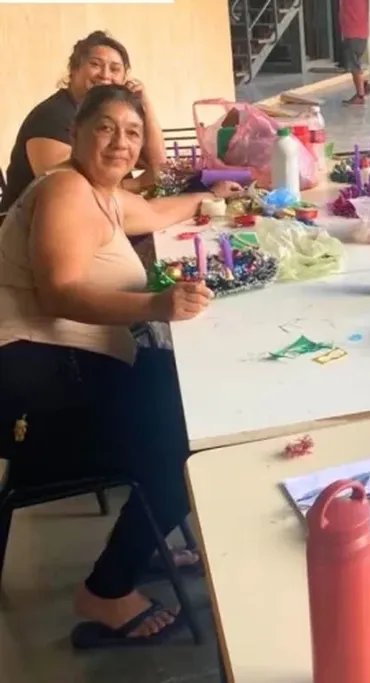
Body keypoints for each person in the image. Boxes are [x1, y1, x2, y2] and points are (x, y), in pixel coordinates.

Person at [0, 84, 240, 648]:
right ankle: (107, 588)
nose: (120, 143)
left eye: (132, 133)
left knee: (197, 395)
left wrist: (208, 198)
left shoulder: (100, 192)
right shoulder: (64, 188)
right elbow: (58, 292)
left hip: (66, 366)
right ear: (76, 133)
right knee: (188, 435)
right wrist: (156, 305)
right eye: (106, 128)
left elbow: (154, 210)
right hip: (30, 387)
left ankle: (146, 534)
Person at [1, 31, 167, 213]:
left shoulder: (111, 116)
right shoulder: (51, 117)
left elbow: (159, 167)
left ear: (124, 79)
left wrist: (145, 103)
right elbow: (69, 191)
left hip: (100, 212)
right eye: (95, 64)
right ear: (74, 69)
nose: (105, 75)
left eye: (115, 69)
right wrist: (139, 183)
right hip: (36, 223)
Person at [340, 0, 370, 106]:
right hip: (362, 32)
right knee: (356, 62)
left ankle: (360, 96)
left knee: (354, 65)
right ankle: (364, 86)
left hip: (352, 32)